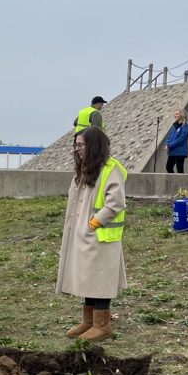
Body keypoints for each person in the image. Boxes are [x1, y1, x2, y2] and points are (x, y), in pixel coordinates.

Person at [57, 126, 127, 342]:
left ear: (93, 146)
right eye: (76, 145)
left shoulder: (110, 169)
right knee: (88, 277)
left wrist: (95, 222)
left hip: (100, 235)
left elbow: (115, 203)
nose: (77, 149)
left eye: (81, 145)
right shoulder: (84, 169)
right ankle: (88, 322)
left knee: (99, 279)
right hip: (84, 233)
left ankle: (102, 325)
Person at [164, 109, 188, 174]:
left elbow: (181, 139)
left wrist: (170, 145)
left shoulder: (186, 125)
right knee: (169, 167)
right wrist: (167, 143)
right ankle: (174, 183)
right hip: (172, 151)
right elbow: (170, 136)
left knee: (180, 170)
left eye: (177, 114)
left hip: (180, 151)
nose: (175, 115)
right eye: (175, 114)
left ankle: (182, 184)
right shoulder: (175, 125)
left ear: (182, 115)